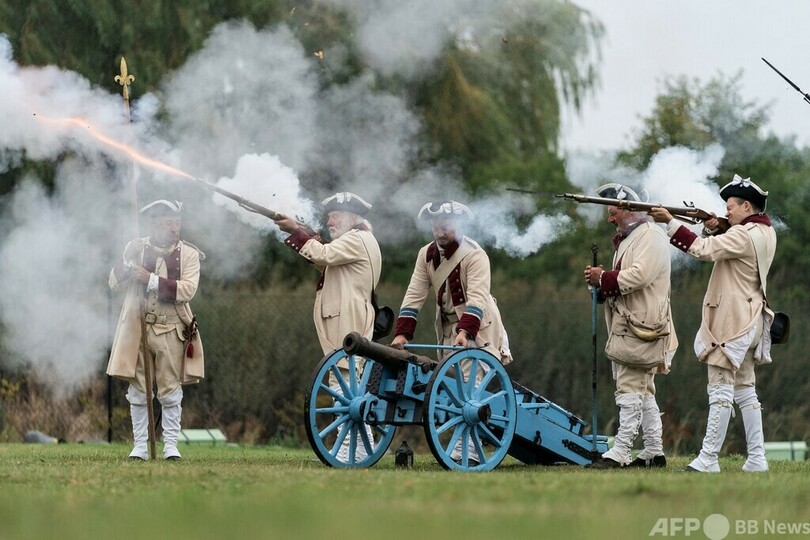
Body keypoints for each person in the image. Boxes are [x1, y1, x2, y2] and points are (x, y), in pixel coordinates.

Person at [649, 174, 776, 473]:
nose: (727, 212)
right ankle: (757, 459)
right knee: (745, 390)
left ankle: (708, 459)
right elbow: (725, 240)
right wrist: (715, 225)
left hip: (731, 322)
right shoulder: (764, 232)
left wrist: (669, 222)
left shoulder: (741, 235)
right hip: (751, 319)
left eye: (731, 207)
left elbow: (703, 250)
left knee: (720, 389)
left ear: (746, 206)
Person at [391, 201, 513, 465]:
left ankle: (467, 446)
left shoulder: (475, 255)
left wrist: (466, 332)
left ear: (459, 225)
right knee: (453, 387)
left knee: (470, 384)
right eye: (435, 226)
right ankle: (462, 442)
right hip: (448, 327)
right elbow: (414, 294)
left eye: (444, 226)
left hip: (478, 326)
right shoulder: (426, 254)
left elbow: (478, 298)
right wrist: (403, 334)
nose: (439, 232)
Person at [273, 192, 379, 462]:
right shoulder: (354, 240)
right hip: (345, 315)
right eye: (330, 215)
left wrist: (297, 231)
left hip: (348, 317)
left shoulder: (357, 239)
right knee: (346, 383)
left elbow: (322, 254)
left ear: (352, 218)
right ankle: (360, 444)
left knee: (345, 383)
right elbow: (323, 259)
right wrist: (305, 237)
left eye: (336, 216)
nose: (330, 221)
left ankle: (348, 446)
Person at [584, 184, 678, 469]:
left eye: (613, 212)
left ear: (629, 210)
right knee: (644, 389)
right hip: (632, 322)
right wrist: (601, 286)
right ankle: (653, 451)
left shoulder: (650, 236)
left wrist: (603, 278)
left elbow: (638, 277)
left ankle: (621, 451)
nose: (610, 218)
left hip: (641, 324)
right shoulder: (633, 237)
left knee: (628, 387)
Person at [107, 200, 205, 461]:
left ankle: (170, 446)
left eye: (177, 222)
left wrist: (149, 279)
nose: (174, 228)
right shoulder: (136, 248)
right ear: (154, 223)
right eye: (168, 222)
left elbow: (187, 290)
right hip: (137, 328)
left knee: (170, 390)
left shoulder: (190, 255)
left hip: (172, 328)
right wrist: (128, 266)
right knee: (138, 391)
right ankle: (140, 446)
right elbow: (114, 283)